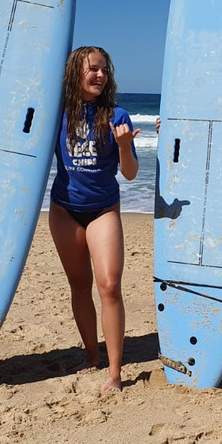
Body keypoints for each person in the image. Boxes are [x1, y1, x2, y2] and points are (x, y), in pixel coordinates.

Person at [48, 46, 139, 393]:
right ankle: (91, 355)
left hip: (102, 209)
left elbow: (129, 174)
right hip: (63, 208)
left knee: (110, 286)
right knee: (78, 284)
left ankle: (115, 372)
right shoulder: (58, 114)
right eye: (92, 70)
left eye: (103, 70)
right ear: (76, 74)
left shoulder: (117, 115)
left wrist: (126, 147)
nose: (99, 75)